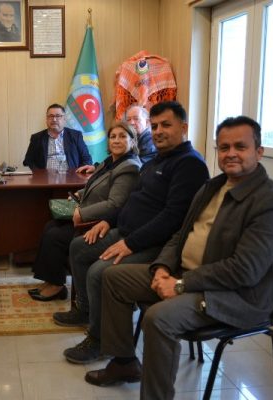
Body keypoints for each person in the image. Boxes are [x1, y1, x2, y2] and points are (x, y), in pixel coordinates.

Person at [87, 116, 273, 399]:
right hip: (186, 276)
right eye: (224, 147)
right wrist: (162, 267)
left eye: (240, 147)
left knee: (158, 318)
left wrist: (180, 284)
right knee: (113, 277)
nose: (231, 154)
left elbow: (245, 270)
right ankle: (124, 362)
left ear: (259, 152)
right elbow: (180, 234)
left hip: (236, 296)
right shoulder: (212, 187)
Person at [53, 101, 210, 364]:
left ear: (183, 128)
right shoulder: (155, 161)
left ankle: (99, 340)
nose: (158, 131)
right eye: (155, 126)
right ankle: (86, 310)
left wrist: (130, 244)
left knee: (99, 272)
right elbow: (130, 200)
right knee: (79, 247)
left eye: (166, 125)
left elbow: (173, 219)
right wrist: (108, 221)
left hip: (155, 245)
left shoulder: (190, 165)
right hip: (125, 232)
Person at [29, 123, 142, 301]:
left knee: (55, 236)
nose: (116, 140)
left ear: (132, 141)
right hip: (86, 212)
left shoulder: (129, 167)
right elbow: (95, 185)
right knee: (50, 226)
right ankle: (51, 281)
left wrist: (83, 214)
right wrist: (79, 194)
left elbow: (115, 204)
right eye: (113, 136)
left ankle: (57, 286)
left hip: (99, 223)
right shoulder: (110, 161)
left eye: (122, 136)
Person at [23, 104, 93, 171]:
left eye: (58, 116)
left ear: (64, 119)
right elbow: (28, 161)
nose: (54, 119)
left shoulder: (76, 135)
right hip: (44, 177)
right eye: (51, 116)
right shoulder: (36, 138)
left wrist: (79, 174)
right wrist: (39, 174)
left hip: (71, 176)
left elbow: (87, 159)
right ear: (46, 119)